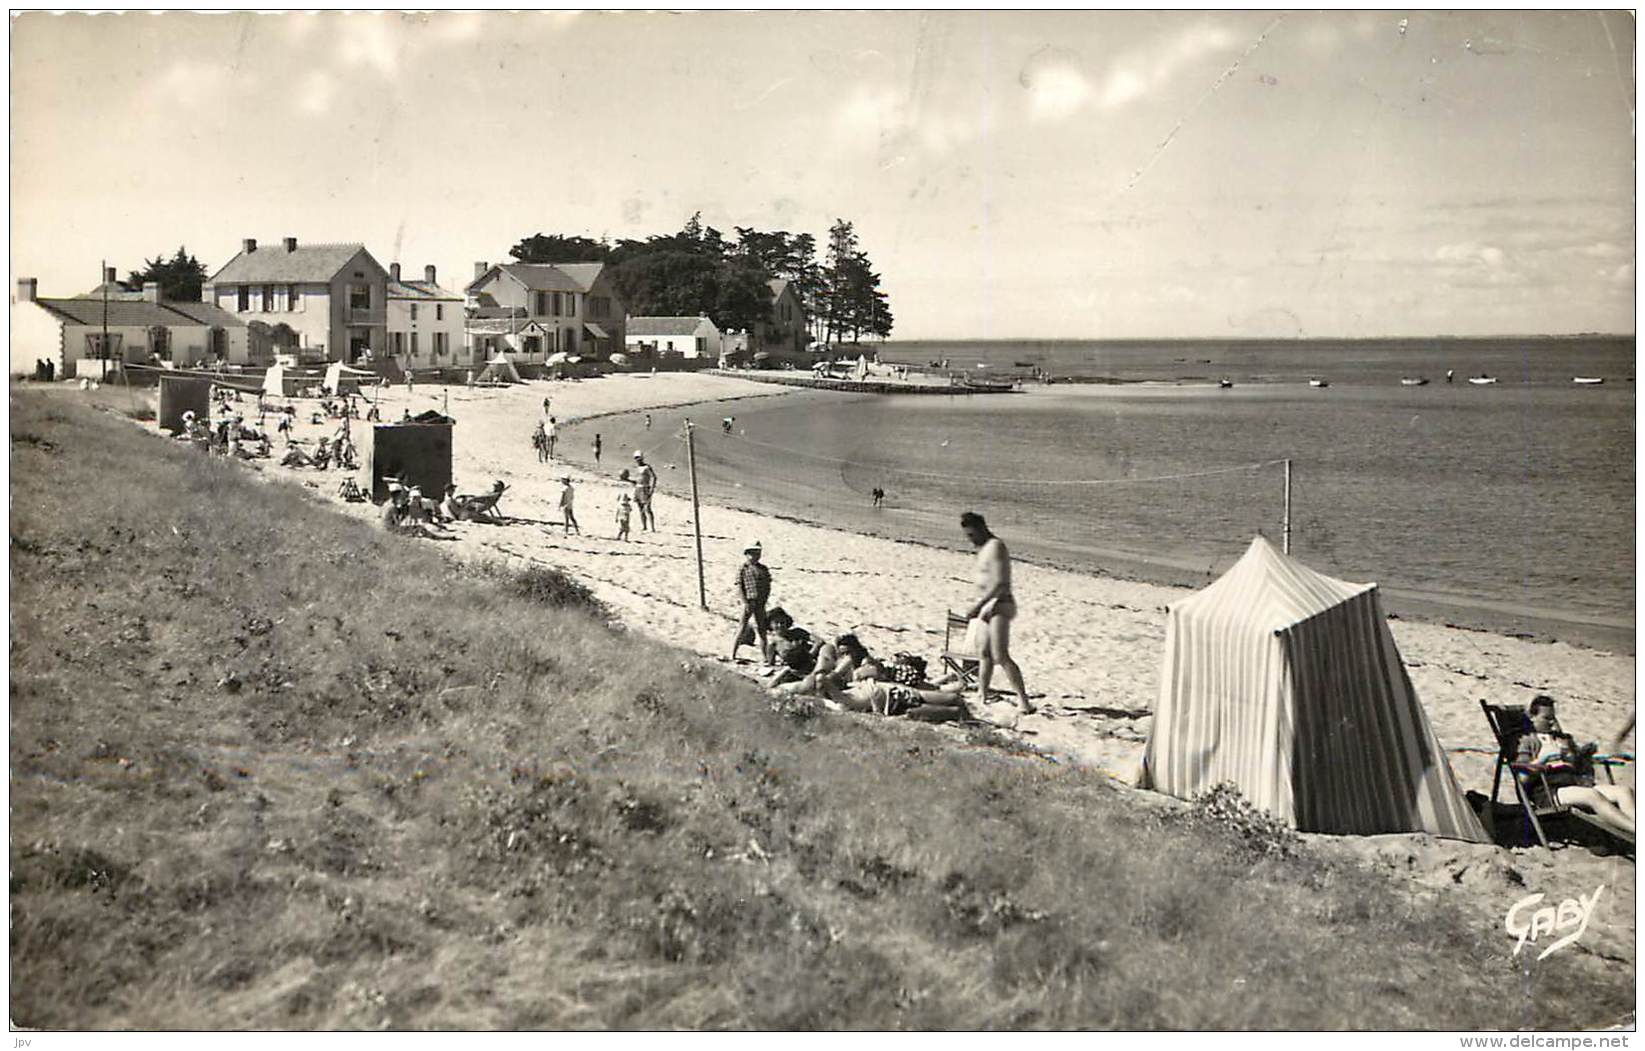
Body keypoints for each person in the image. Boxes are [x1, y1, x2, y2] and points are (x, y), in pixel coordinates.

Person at [1515, 695, 1634, 840]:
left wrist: (1583, 754)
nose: (1552, 723)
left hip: (1575, 783)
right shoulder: (1528, 741)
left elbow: (1579, 765)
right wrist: (1543, 759)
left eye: (1553, 718)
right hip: (1549, 790)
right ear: (1532, 717)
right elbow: (1522, 777)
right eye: (1546, 718)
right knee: (1592, 796)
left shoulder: (1561, 738)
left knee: (1624, 791)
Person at [960, 511, 1033, 715]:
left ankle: (1024, 701)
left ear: (982, 529)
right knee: (984, 654)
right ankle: (982, 695)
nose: (970, 540)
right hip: (986, 606)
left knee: (1000, 655)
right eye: (968, 536)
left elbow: (1000, 583)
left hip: (1000, 604)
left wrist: (978, 605)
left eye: (972, 535)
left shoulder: (996, 546)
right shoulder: (984, 548)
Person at [730, 542, 772, 664]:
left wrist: (764, 600)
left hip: (760, 602)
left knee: (762, 629)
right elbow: (739, 587)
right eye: (752, 553)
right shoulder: (743, 568)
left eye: (758, 553)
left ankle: (765, 656)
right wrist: (745, 601)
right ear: (746, 554)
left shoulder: (763, 569)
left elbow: (767, 586)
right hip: (748, 602)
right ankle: (733, 653)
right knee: (742, 627)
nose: (755, 556)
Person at [632, 451, 657, 532]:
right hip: (637, 488)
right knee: (640, 508)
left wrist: (652, 489)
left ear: (642, 458)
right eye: (636, 458)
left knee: (647, 508)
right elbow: (637, 480)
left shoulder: (647, 467)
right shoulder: (636, 468)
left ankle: (652, 528)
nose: (637, 459)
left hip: (645, 488)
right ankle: (644, 526)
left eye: (638, 457)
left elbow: (654, 477)